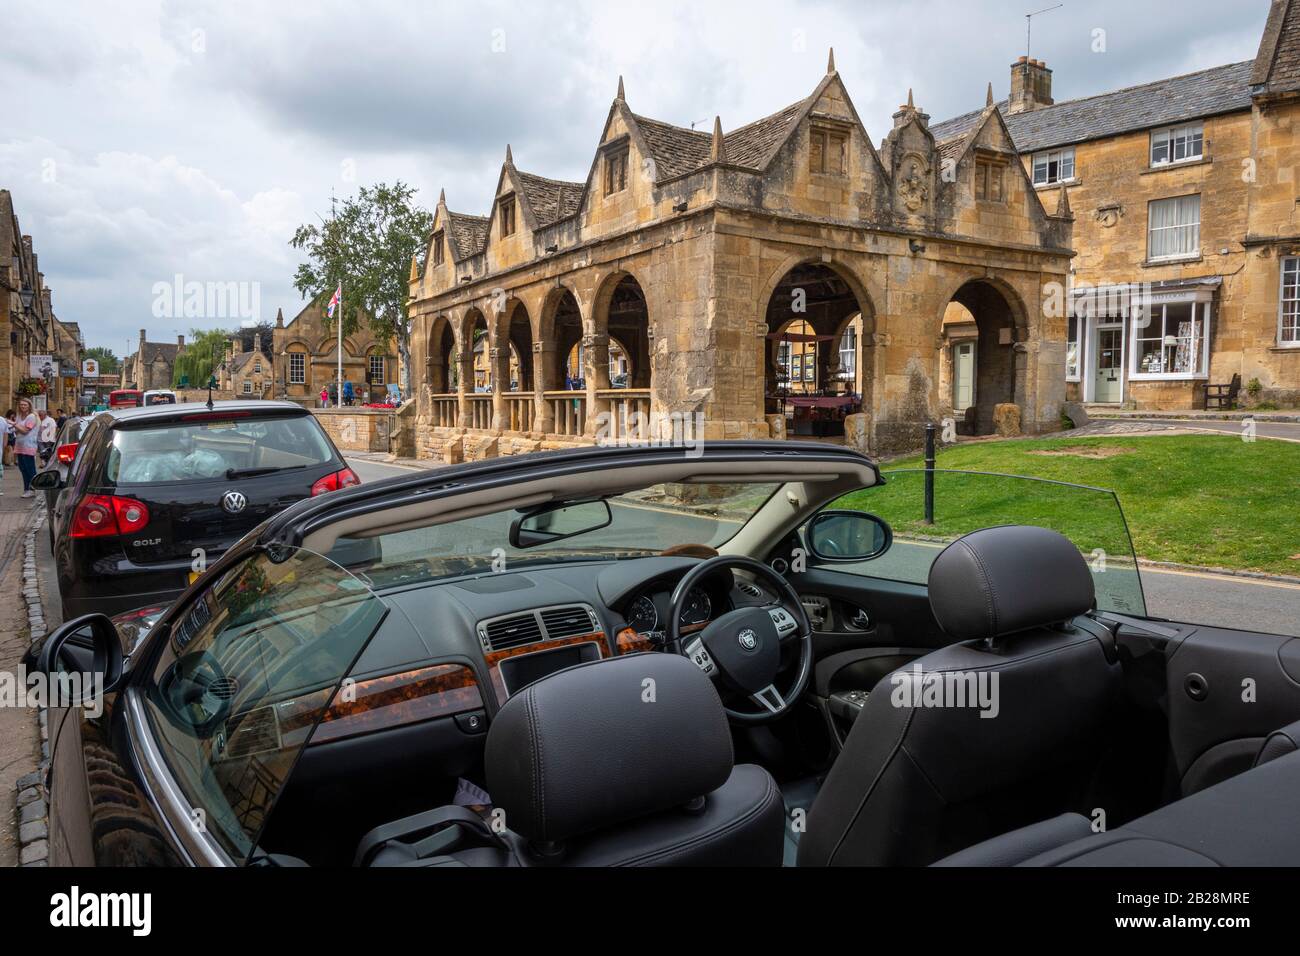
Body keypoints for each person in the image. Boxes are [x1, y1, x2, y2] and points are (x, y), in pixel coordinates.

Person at [13, 399, 39, 498]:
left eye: (25, 405)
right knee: (22, 468)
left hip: (28, 446)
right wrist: (16, 426)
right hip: (20, 445)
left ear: (29, 406)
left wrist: (15, 425)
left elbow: (24, 430)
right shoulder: (19, 416)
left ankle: (32, 489)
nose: (22, 406)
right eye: (21, 405)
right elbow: (16, 431)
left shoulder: (31, 416)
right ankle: (26, 489)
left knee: (29, 468)